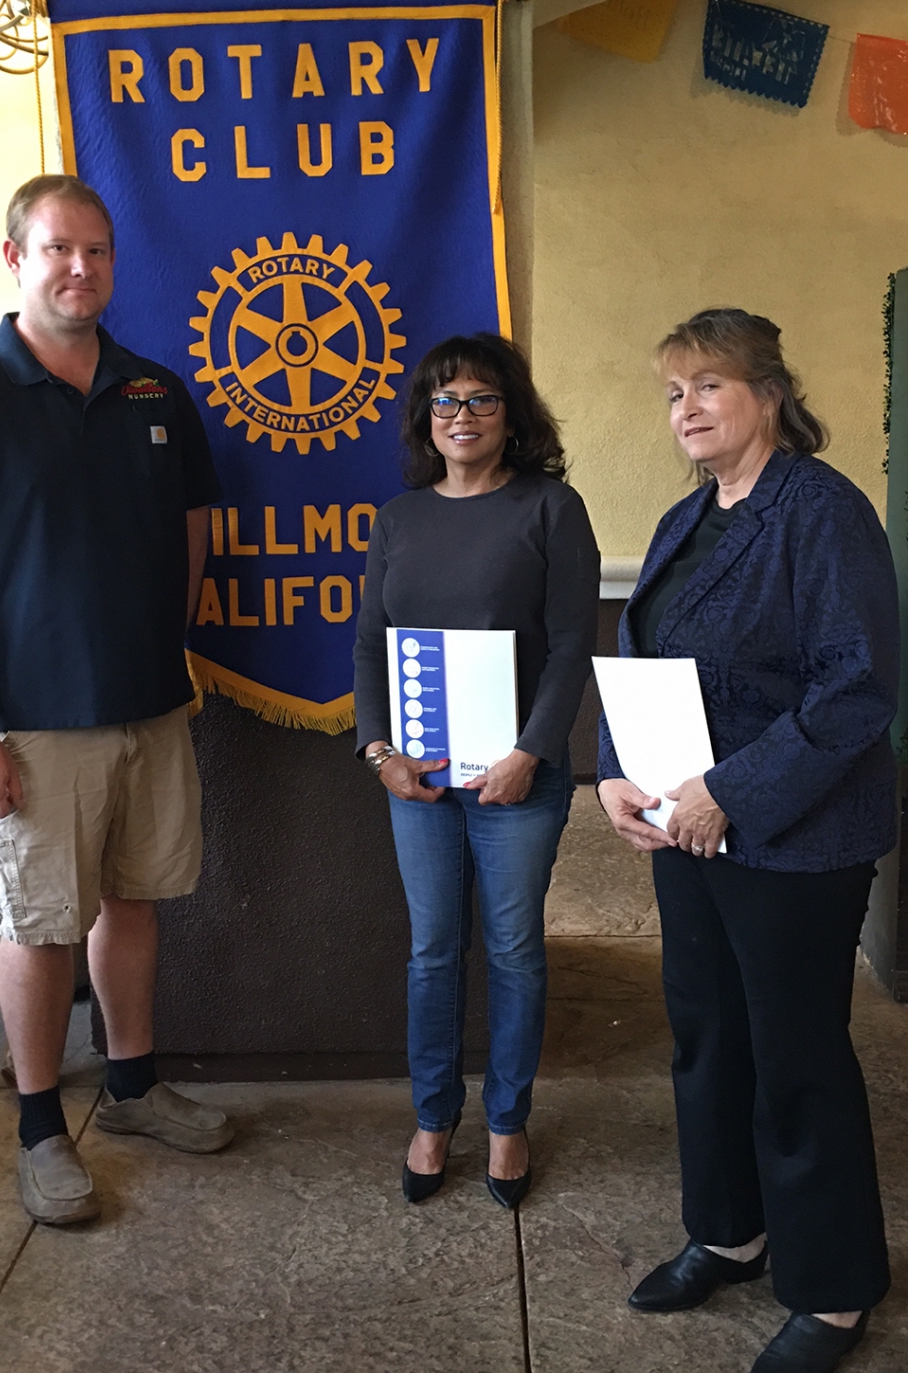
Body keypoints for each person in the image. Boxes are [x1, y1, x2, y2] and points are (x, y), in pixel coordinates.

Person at [597, 308, 897, 1373]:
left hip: (795, 838)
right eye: (673, 391)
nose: (686, 408)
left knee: (795, 1056)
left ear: (769, 393)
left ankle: (833, 1287)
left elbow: (856, 686)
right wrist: (613, 773)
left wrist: (728, 791)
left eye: (708, 386)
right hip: (691, 832)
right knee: (707, 1035)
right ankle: (730, 1230)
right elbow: (639, 651)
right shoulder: (693, 517)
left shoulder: (820, 510)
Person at [0, 174, 233, 1226]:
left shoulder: (155, 390)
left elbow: (197, 529)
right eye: (60, 249)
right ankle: (36, 1126)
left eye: (98, 250)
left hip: (150, 707)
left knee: (135, 899)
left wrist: (160, 641)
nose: (81, 268)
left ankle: (135, 1085)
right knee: (41, 922)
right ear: (17, 258)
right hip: (31, 723)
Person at [354, 333, 601, 1206]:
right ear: (427, 418)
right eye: (445, 402)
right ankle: (432, 1117)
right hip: (418, 782)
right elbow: (370, 651)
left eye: (482, 400)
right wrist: (379, 751)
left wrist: (531, 753)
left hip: (517, 784)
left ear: (512, 415)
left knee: (515, 951)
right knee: (431, 952)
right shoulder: (399, 516)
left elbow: (573, 646)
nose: (462, 416)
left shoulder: (551, 508)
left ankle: (506, 1122)